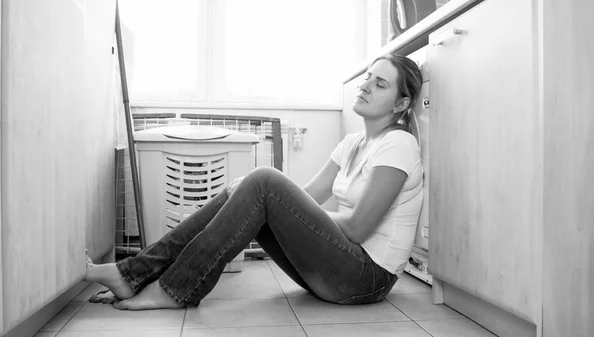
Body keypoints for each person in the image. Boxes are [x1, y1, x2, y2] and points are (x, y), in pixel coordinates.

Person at [85, 52, 424, 311]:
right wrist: (251, 199)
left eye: (380, 84)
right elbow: (305, 198)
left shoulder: (399, 144)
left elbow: (358, 228)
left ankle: (174, 287)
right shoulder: (352, 143)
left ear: (402, 103)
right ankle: (133, 273)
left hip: (366, 278)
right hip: (336, 270)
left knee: (263, 181)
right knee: (249, 185)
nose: (366, 86)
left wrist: (280, 205)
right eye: (368, 78)